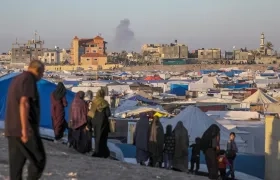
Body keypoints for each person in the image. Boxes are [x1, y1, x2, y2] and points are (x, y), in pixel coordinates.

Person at [5, 60, 46, 180]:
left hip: (12, 129)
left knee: (16, 166)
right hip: (24, 129)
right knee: (39, 160)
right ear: (38, 71)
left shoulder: (17, 79)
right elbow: (24, 103)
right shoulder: (29, 79)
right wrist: (24, 129)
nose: (42, 76)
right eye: (42, 73)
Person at [88, 89, 111, 158]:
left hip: (95, 122)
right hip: (103, 123)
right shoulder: (105, 103)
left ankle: (97, 151)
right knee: (103, 138)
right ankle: (103, 152)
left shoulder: (94, 102)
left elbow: (91, 113)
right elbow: (108, 114)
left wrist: (89, 123)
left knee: (97, 137)